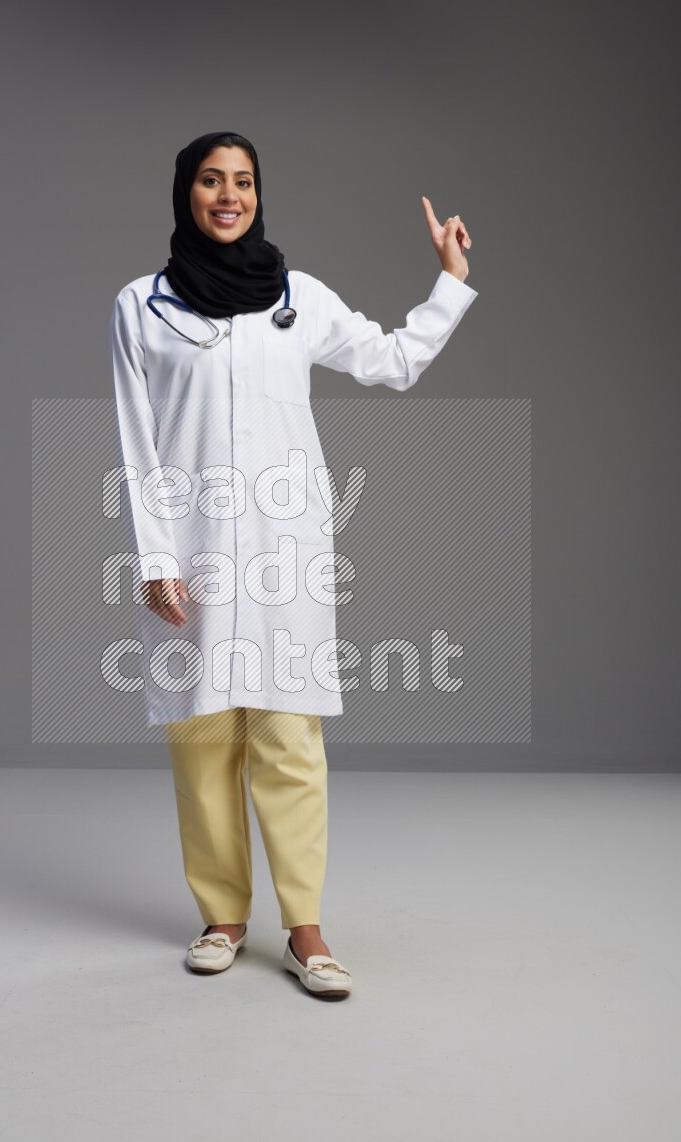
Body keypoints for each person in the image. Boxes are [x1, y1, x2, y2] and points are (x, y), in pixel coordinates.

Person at [110, 131, 477, 999]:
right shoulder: (142, 306)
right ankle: (223, 917)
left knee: (288, 740)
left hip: (285, 552)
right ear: (185, 192)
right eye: (210, 180)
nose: (227, 195)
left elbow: (391, 361)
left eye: (242, 181)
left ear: (258, 194)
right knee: (203, 740)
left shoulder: (295, 296)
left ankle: (304, 926)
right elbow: (137, 445)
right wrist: (154, 556)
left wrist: (449, 284)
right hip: (192, 552)